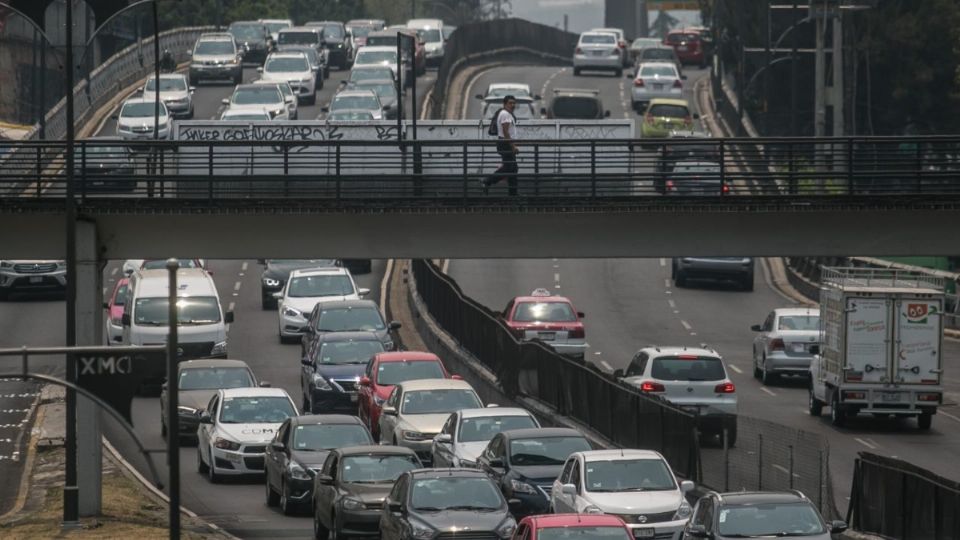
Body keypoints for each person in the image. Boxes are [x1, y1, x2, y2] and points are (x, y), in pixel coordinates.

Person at [482, 95, 519, 195]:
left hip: (504, 143)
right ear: (505, 104)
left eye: (514, 103)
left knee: (513, 168)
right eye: (510, 103)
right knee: (508, 168)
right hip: (505, 144)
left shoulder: (506, 114)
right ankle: (487, 181)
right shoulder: (505, 114)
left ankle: (513, 194)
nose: (512, 105)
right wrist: (513, 146)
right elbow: (505, 132)